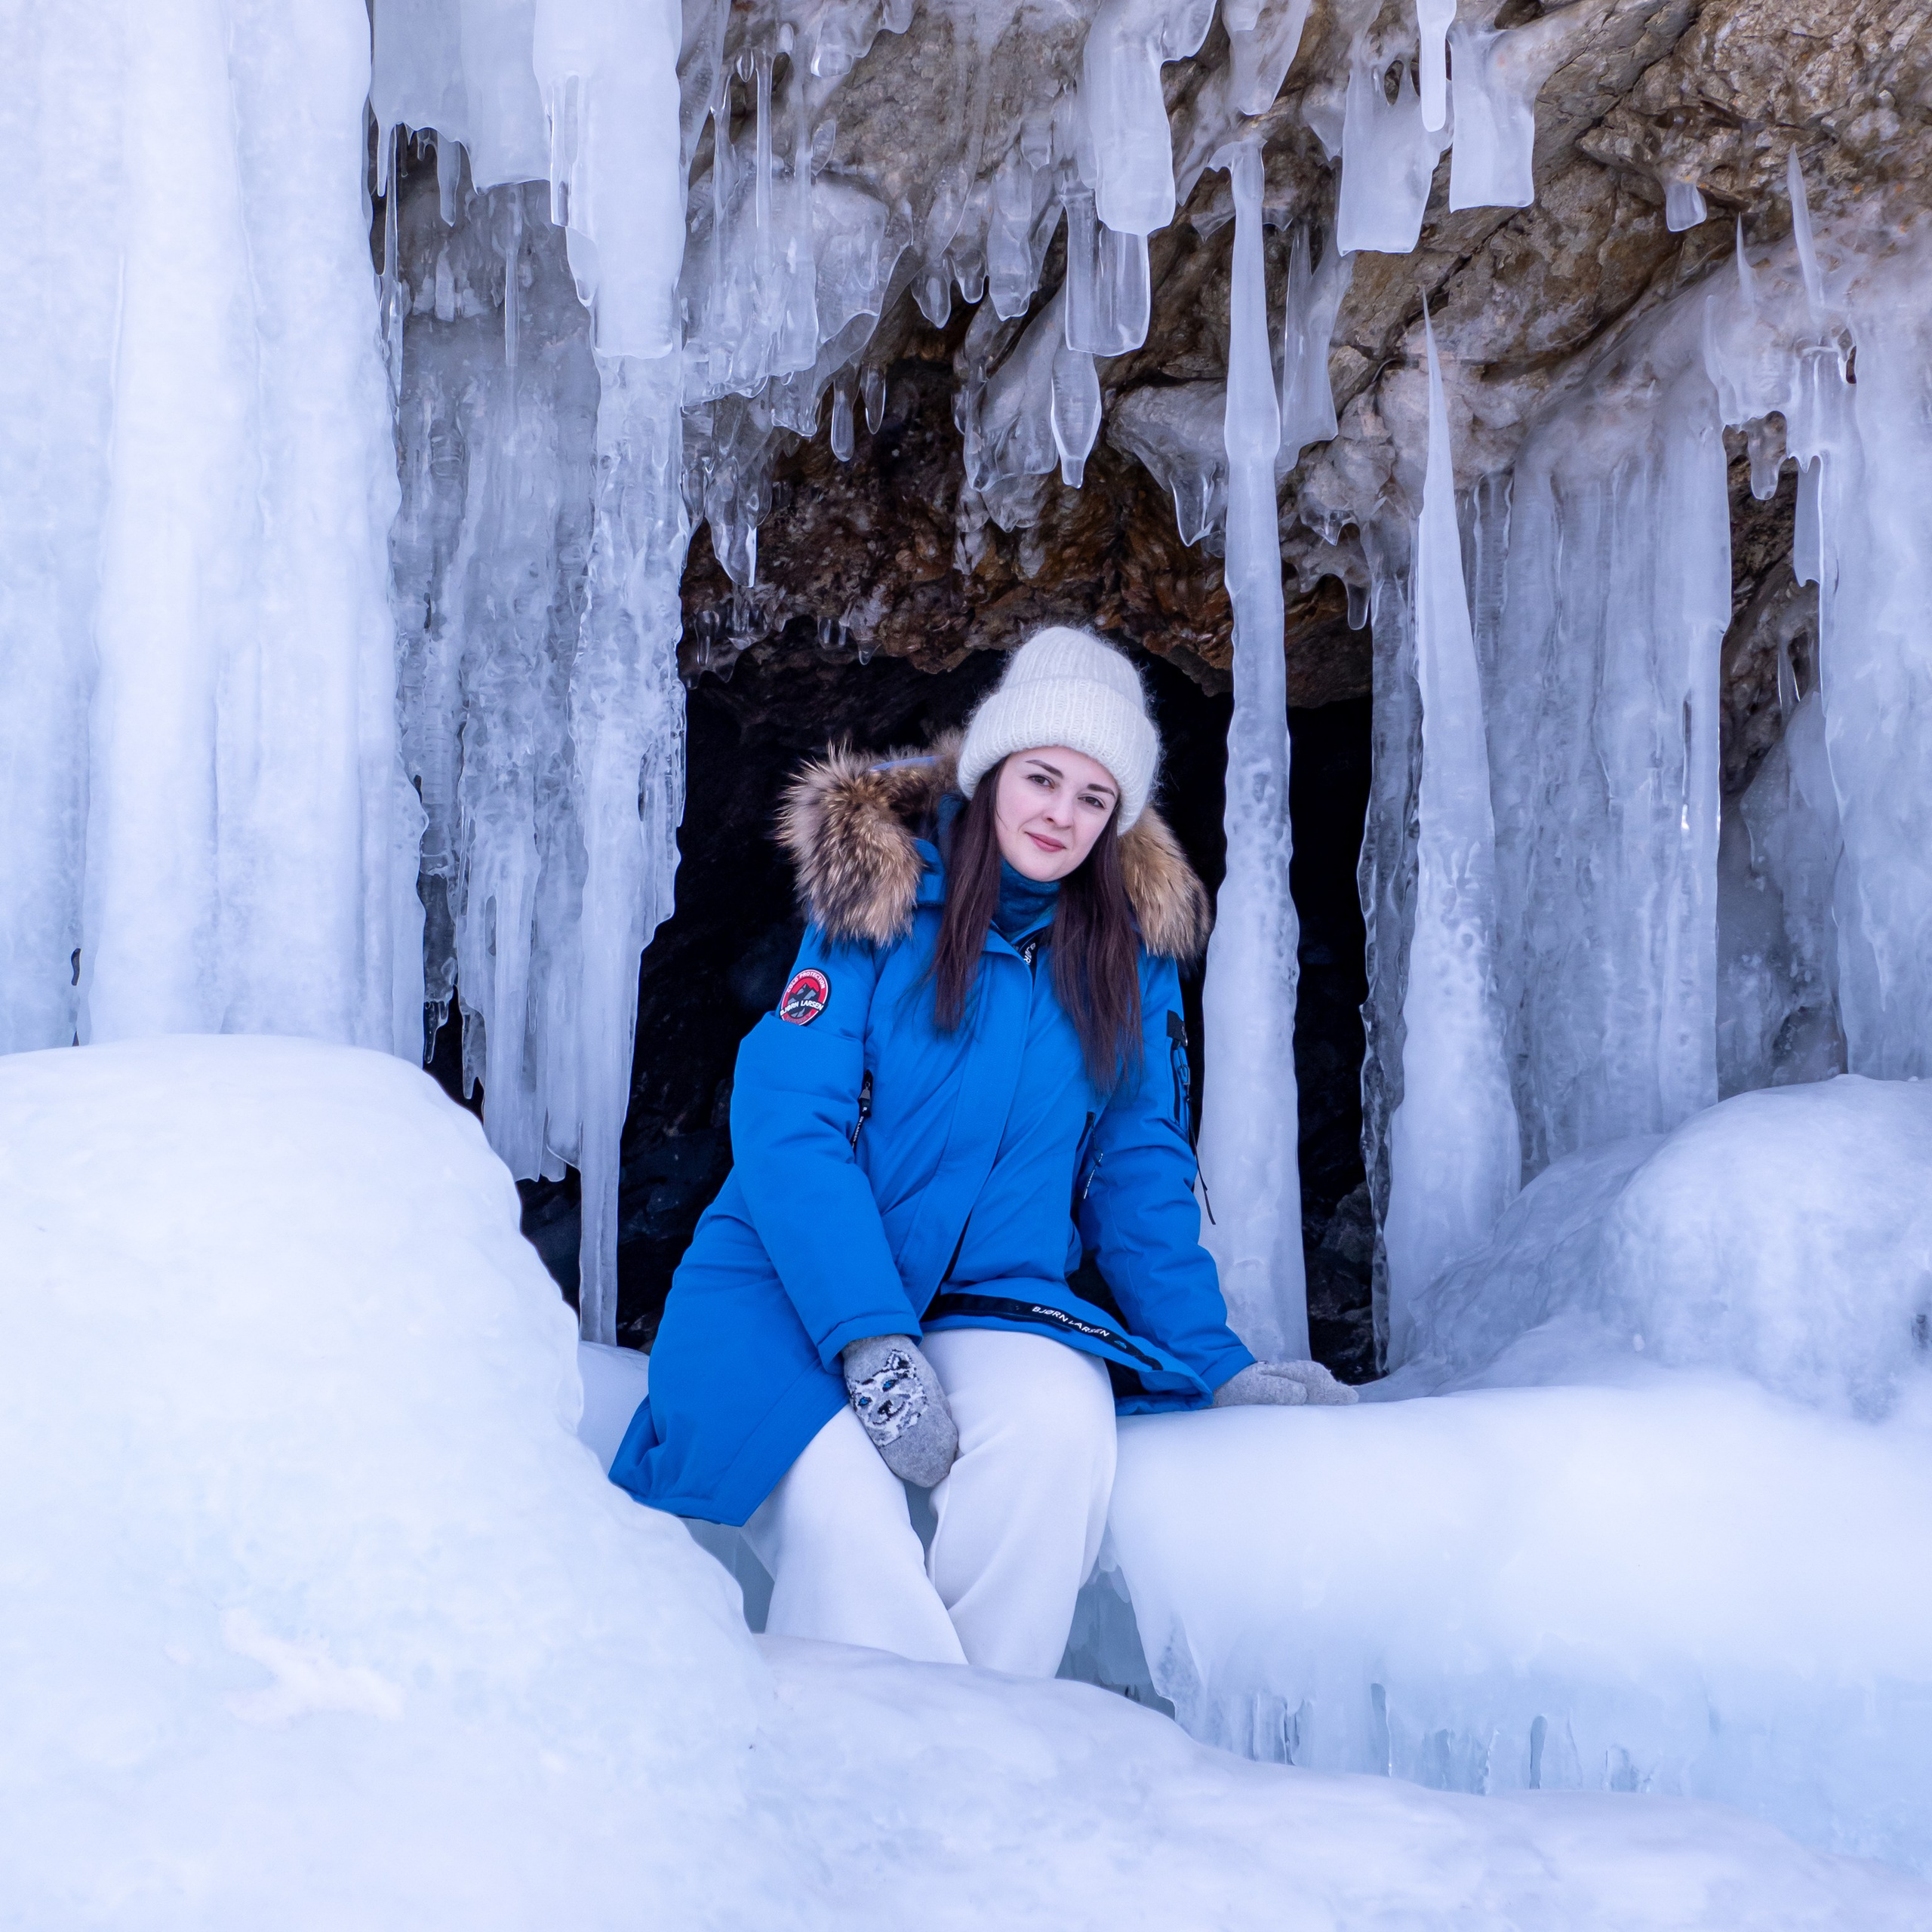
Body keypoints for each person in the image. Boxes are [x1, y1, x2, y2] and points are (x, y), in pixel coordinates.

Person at [609, 626, 1354, 1675]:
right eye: (1043, 777)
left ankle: (991, 1756)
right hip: (782, 1290)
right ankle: (868, 1782)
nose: (1062, 813)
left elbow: (1139, 1175)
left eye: (1095, 798)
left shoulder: (1127, 956)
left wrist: (1217, 1366)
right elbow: (790, 1127)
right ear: (995, 770)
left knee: (1058, 1430)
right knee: (842, 1510)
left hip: (986, 1299)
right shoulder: (877, 901)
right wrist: (868, 1337)